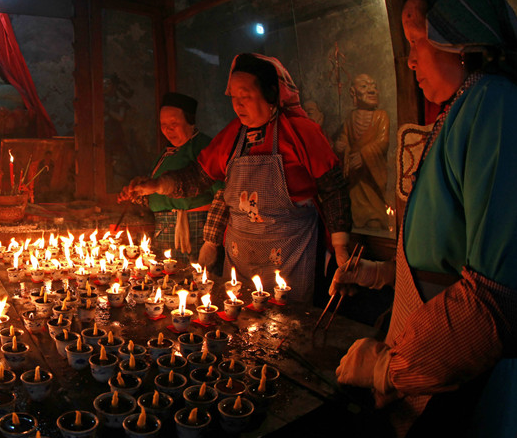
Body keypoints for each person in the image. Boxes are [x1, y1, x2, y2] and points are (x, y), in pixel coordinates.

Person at [331, 0, 517, 438]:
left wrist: (389, 369)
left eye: (416, 43)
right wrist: (379, 272)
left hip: (467, 373)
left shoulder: (499, 112)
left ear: (463, 44)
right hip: (437, 359)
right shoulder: (461, 111)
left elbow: (491, 303)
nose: (408, 60)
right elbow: (446, 255)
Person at [121, 54, 352, 304]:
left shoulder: (300, 131)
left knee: (288, 322)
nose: (238, 105)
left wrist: (341, 244)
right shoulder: (233, 135)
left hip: (291, 253)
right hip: (240, 256)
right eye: (234, 98)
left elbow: (333, 187)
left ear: (271, 93)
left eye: (246, 96)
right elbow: (198, 177)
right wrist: (155, 185)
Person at [128, 92, 221, 262]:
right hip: (165, 231)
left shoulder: (203, 146)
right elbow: (161, 195)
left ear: (190, 121)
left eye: (174, 123)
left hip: (195, 231)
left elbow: (222, 195)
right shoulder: (167, 153)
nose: (168, 130)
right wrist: (137, 192)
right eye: (163, 124)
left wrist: (211, 242)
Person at [332, 73, 390, 229]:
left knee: (375, 217)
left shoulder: (381, 116)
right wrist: (341, 147)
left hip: (371, 175)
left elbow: (383, 142)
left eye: (374, 87)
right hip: (355, 178)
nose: (371, 91)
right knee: (355, 213)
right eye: (364, 86)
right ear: (353, 93)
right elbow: (345, 138)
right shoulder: (351, 118)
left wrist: (364, 155)